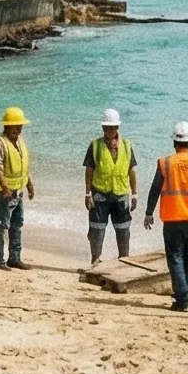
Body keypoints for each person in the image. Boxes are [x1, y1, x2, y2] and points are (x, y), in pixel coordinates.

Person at [145, 122, 188, 312]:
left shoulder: (165, 163)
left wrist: (149, 212)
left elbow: (155, 189)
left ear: (174, 143)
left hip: (172, 218)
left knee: (175, 258)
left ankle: (183, 298)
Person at [81, 109, 138, 267]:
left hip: (120, 194)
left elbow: (132, 170)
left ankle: (124, 260)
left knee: (123, 230)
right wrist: (87, 194)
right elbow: (89, 170)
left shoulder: (127, 146)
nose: (109, 131)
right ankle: (95, 260)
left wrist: (134, 195)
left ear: (117, 127)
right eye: (106, 127)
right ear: (102, 128)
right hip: (100, 194)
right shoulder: (95, 146)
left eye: (112, 127)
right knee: (96, 229)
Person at [0, 106, 31, 271]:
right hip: (3, 193)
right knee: (1, 225)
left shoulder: (20, 142)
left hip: (18, 192)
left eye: (20, 126)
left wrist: (29, 184)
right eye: (15, 126)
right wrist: (5, 187)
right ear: (6, 126)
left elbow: (23, 167)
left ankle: (14, 258)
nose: (18, 129)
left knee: (17, 224)